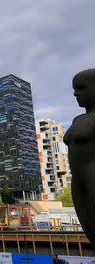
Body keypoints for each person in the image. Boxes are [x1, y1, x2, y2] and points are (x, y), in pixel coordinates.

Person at [63, 69, 95, 254]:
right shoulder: (78, 119)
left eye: (82, 88)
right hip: (79, 180)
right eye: (75, 89)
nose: (76, 93)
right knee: (91, 230)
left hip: (92, 173)